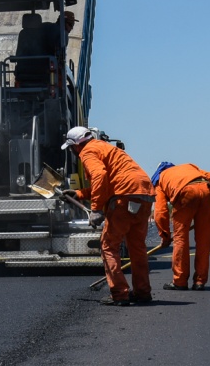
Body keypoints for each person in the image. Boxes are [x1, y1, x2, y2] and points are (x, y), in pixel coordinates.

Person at [61, 126, 154, 306]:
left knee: (109, 246)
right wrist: (79, 194)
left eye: (71, 148)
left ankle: (120, 294)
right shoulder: (106, 148)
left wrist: (96, 209)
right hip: (144, 193)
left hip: (123, 196)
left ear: (76, 145)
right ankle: (143, 292)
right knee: (137, 248)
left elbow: (99, 176)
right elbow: (109, 181)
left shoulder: (87, 152)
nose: (72, 152)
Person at [151, 162, 210, 291]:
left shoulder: (160, 179)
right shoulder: (189, 167)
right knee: (204, 239)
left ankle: (180, 281)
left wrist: (165, 235)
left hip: (185, 193)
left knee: (180, 239)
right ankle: (200, 281)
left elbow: (160, 212)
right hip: (205, 189)